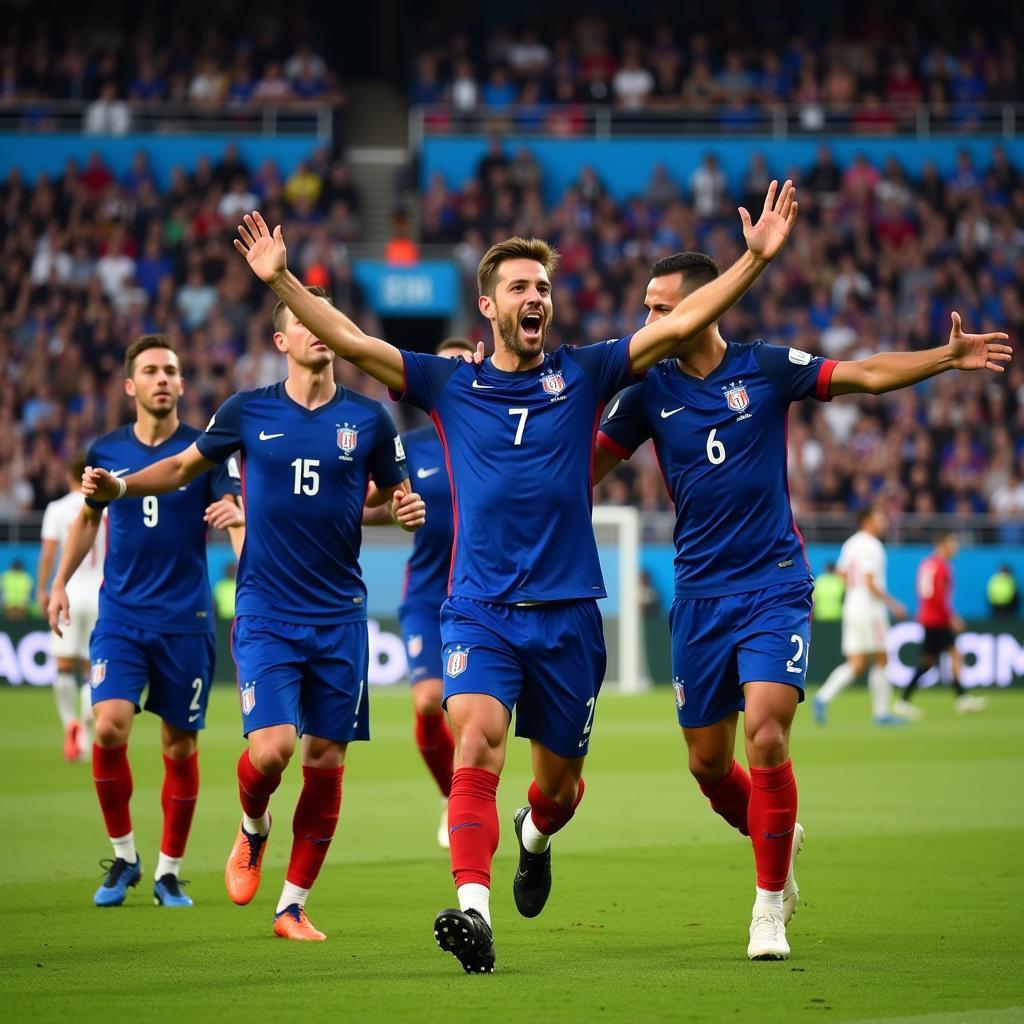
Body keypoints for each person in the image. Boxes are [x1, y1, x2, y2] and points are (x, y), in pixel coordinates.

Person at [230, 180, 799, 972]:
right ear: (489, 308)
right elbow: (355, 343)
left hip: (568, 617)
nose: (536, 297)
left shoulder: (589, 372)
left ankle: (534, 838)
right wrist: (282, 282)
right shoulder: (447, 384)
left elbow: (688, 323)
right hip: (479, 610)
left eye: (543, 286)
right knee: (476, 744)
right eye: (520, 287)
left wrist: (754, 262)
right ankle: (474, 912)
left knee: (557, 791)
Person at [595, 251, 1011, 960]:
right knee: (706, 765)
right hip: (698, 595)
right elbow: (581, 471)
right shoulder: (644, 391)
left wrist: (943, 359)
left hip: (774, 584)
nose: (648, 322)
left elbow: (866, 375)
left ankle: (767, 907)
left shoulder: (764, 367)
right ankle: (779, 839)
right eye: (647, 308)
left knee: (766, 733)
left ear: (706, 306)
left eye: (661, 308)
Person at [81, 288, 425, 942]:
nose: (320, 332)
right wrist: (122, 486)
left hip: (342, 616)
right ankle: (252, 827)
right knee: (272, 752)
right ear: (281, 341)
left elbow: (382, 495)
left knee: (325, 759)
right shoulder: (248, 411)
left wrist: (399, 510)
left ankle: (291, 905)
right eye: (305, 323)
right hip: (267, 611)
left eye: (329, 322)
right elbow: (183, 466)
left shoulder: (372, 419)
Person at [47, 335, 245, 909]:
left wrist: (238, 529)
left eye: (171, 371)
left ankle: (168, 872)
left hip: (187, 620)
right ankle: (125, 857)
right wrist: (59, 581)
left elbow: (233, 511)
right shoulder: (105, 449)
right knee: (108, 724)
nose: (163, 379)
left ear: (183, 385)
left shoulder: (206, 451)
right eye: (151, 371)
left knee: (179, 745)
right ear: (131, 386)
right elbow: (87, 520)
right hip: (122, 617)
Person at [363, 338, 479, 850]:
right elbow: (368, 501)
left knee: (469, 715)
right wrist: (391, 508)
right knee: (430, 701)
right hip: (428, 594)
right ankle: (452, 797)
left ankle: (472, 793)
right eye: (444, 364)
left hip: (480, 594)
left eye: (462, 363)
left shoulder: (491, 434)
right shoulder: (409, 447)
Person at [37, 455, 105, 761]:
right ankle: (86, 736)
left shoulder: (58, 509)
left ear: (69, 477)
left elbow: (49, 555)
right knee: (94, 671)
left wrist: (44, 588)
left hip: (69, 593)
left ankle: (71, 727)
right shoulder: (107, 506)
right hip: (103, 596)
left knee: (64, 668)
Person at [813, 506, 907, 725]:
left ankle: (822, 697)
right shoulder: (872, 546)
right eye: (879, 517)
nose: (884, 521)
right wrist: (893, 605)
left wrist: (854, 590)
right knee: (882, 658)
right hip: (870, 609)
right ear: (866, 521)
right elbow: (871, 581)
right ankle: (882, 713)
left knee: (857, 662)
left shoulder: (851, 543)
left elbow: (842, 573)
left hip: (852, 606)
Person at [894, 533, 988, 717]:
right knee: (953, 655)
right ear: (942, 544)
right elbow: (937, 597)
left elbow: (925, 593)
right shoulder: (941, 567)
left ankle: (905, 700)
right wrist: (951, 617)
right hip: (936, 619)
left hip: (928, 617)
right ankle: (962, 699)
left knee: (929, 662)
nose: (955, 547)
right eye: (952, 543)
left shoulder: (928, 564)